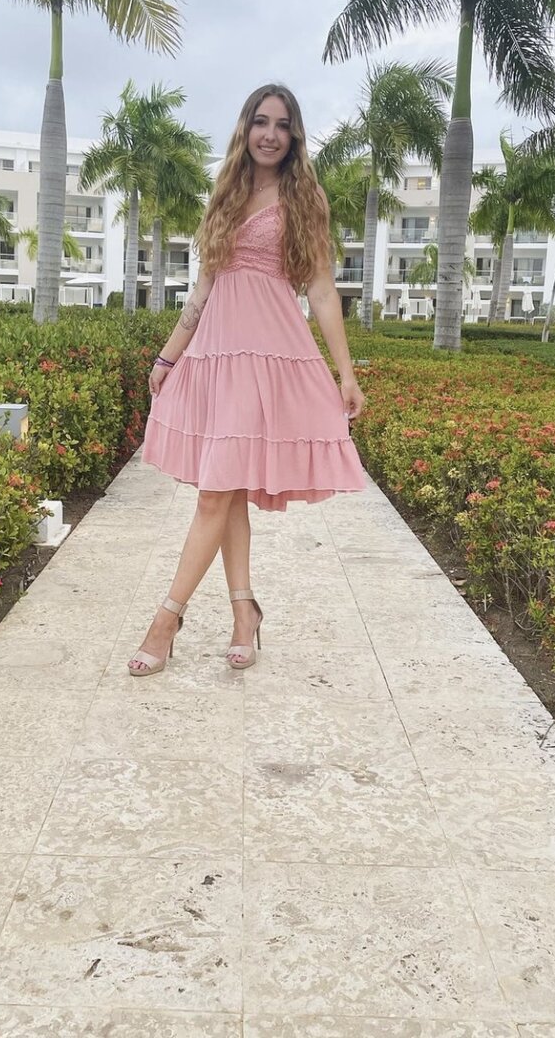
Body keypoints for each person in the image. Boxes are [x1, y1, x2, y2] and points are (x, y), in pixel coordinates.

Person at [127, 83, 367, 677]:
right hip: (218, 358)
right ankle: (244, 614)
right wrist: (168, 357)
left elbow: (321, 289)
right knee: (227, 491)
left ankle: (166, 620)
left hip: (270, 359)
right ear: (245, 127)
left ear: (294, 135)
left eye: (282, 125)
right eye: (261, 122)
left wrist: (346, 373)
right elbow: (203, 290)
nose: (270, 134)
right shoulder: (227, 192)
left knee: (215, 493)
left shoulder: (304, 196)